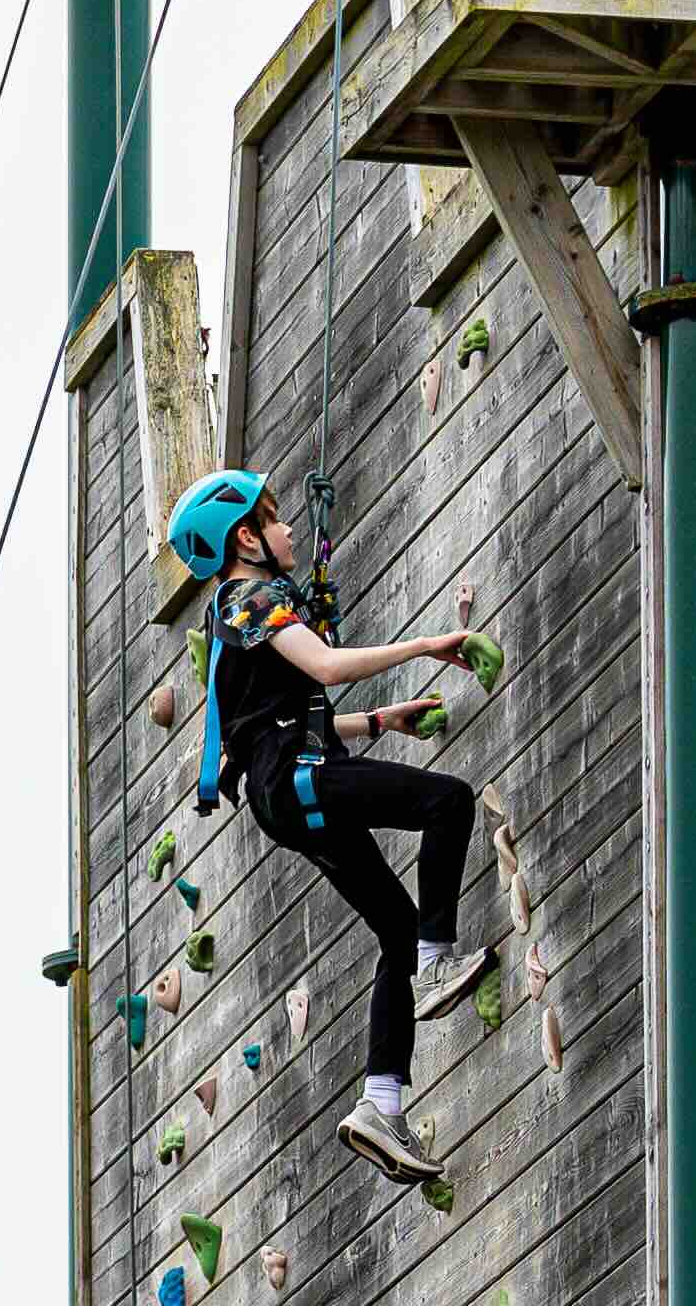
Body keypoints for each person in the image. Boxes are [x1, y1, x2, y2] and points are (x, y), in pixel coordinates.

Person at [170, 467, 493, 1181]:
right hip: (298, 782)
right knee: (449, 802)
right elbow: (325, 665)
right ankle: (438, 964)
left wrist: (380, 721)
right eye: (275, 520)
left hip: (286, 788)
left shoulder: (233, 619)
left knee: (394, 934)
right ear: (246, 538)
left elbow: (274, 722)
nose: (289, 532)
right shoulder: (250, 598)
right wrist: (424, 645)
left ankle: (381, 1104)